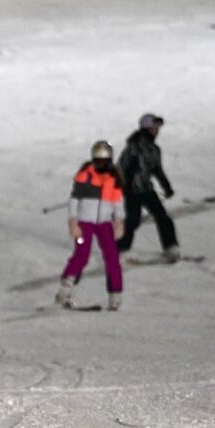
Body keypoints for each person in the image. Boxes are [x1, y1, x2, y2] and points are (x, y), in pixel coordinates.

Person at [55, 141, 125, 311]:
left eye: (104, 162)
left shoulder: (114, 178)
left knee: (112, 257)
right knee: (82, 255)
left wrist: (119, 221)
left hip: (104, 223)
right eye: (98, 161)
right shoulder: (85, 175)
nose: (101, 165)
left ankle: (115, 295)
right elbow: (74, 200)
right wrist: (73, 221)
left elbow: (117, 201)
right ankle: (65, 289)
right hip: (85, 222)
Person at [116, 113, 180, 262]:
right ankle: (121, 249)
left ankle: (171, 246)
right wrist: (126, 180)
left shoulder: (154, 149)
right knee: (133, 220)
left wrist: (166, 186)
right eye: (154, 128)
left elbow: (157, 170)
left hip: (147, 189)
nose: (157, 131)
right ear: (146, 129)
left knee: (162, 217)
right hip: (132, 191)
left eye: (157, 129)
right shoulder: (133, 147)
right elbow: (121, 168)